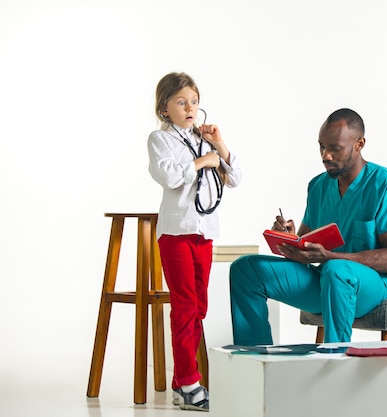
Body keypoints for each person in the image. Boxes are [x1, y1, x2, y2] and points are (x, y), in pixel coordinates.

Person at [229, 108, 387, 345]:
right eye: (321, 147)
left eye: (335, 148)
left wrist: (331, 256)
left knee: (337, 269)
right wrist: (290, 239)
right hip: (327, 280)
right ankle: (255, 359)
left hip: (374, 286)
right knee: (246, 269)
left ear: (359, 144)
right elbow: (306, 247)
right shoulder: (318, 186)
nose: (326, 155)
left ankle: (335, 359)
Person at [147, 72, 242, 411]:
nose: (189, 107)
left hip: (204, 233)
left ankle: (179, 383)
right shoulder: (160, 141)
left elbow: (236, 178)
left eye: (194, 101)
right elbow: (171, 177)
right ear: (164, 109)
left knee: (198, 307)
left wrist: (219, 145)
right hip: (176, 233)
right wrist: (203, 161)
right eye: (181, 102)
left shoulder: (204, 139)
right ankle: (189, 382)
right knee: (186, 308)